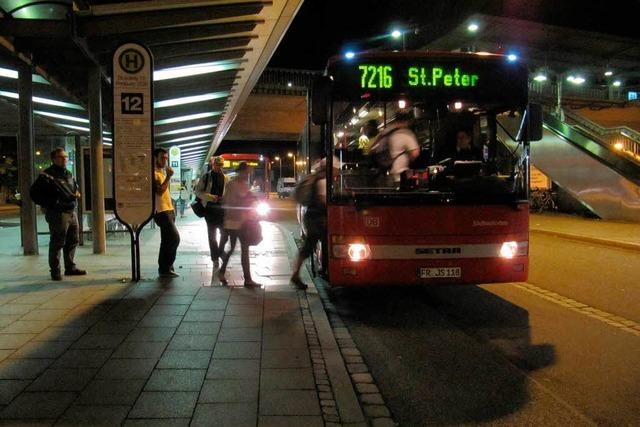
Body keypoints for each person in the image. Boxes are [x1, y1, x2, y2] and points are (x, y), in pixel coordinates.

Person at [34, 148, 86, 281]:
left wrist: (77, 194)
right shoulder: (46, 175)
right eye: (61, 157)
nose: (64, 159)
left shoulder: (68, 173)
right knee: (57, 242)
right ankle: (55, 271)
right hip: (58, 214)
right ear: (54, 159)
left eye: (66, 157)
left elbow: (75, 187)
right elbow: (34, 194)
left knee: (73, 240)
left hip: (71, 211)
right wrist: (52, 203)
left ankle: (70, 268)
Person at [290, 157, 338, 290]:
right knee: (313, 245)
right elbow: (323, 201)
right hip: (317, 218)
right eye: (336, 169)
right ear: (331, 168)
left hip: (312, 217)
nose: (337, 171)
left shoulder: (319, 178)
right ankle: (298, 274)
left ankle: (299, 274)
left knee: (311, 245)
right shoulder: (323, 180)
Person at [218, 162, 261, 288]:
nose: (247, 175)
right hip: (233, 222)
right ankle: (245, 279)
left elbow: (247, 200)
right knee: (236, 249)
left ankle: (228, 274)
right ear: (240, 172)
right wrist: (245, 200)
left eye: (248, 173)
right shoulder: (232, 184)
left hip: (242, 222)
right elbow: (229, 203)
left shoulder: (245, 185)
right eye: (246, 172)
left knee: (240, 249)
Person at [153, 148, 180, 278]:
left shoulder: (161, 172)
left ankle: (165, 267)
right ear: (155, 158)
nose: (165, 160)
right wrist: (169, 177)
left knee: (166, 240)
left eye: (166, 158)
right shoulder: (153, 173)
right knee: (175, 238)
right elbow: (159, 191)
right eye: (162, 158)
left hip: (168, 210)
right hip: (161, 211)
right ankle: (166, 267)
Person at [195, 156, 227, 268]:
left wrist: (225, 198)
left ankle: (219, 252)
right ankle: (215, 258)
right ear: (212, 164)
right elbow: (197, 191)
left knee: (225, 234)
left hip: (222, 209)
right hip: (209, 209)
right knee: (212, 235)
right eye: (216, 165)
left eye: (220, 165)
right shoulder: (207, 176)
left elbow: (227, 193)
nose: (218, 167)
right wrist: (210, 197)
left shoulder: (225, 177)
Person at [376, 111, 420, 183]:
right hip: (400, 173)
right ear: (406, 121)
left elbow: (374, 148)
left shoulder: (386, 131)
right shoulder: (406, 133)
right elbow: (415, 153)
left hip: (384, 171)